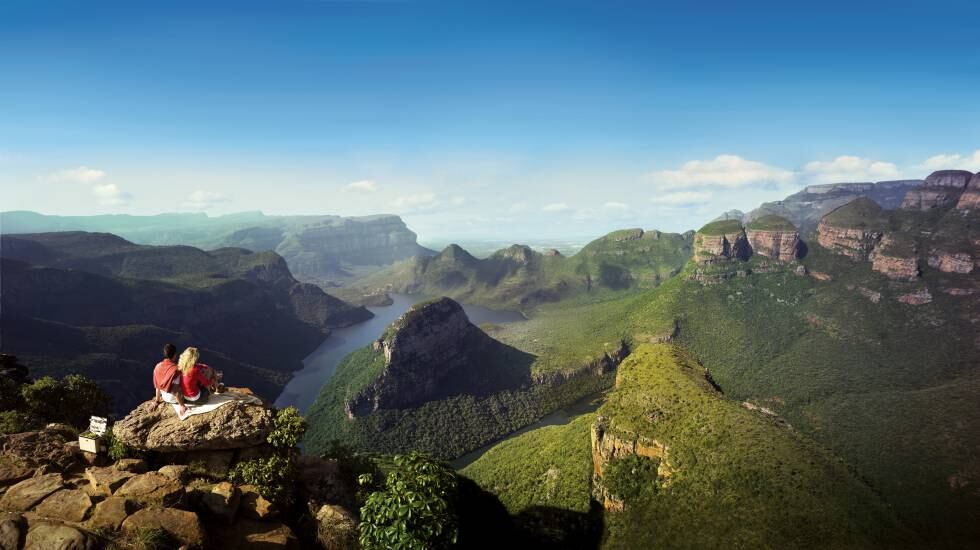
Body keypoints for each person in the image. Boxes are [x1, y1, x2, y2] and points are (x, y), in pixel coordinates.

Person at [152, 344, 187, 415]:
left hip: (164, 397)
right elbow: (176, 390)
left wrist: (157, 401)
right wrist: (181, 405)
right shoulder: (176, 369)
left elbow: (157, 386)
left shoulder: (157, 366)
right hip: (174, 399)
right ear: (174, 355)